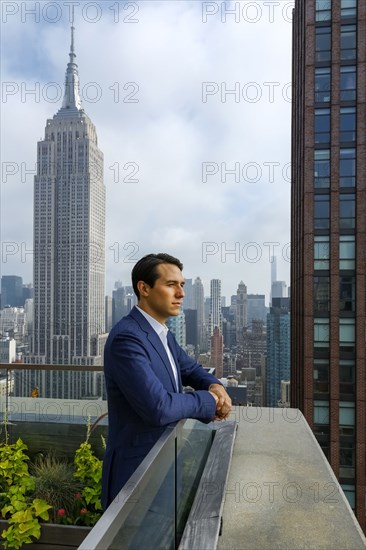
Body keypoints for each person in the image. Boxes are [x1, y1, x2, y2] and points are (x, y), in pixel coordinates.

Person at [102, 253, 232, 509]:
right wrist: (209, 400)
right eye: (172, 284)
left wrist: (213, 384)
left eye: (182, 285)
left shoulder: (162, 334)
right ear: (144, 288)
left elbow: (191, 369)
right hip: (135, 475)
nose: (181, 293)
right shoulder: (127, 339)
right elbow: (158, 408)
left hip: (164, 466)